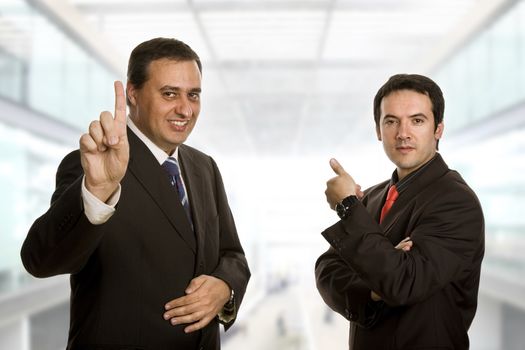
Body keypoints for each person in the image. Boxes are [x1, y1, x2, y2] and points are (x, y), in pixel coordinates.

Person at [21, 38, 250, 350]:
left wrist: (225, 287)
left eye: (193, 95)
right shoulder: (95, 165)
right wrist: (97, 192)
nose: (184, 109)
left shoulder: (203, 167)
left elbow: (232, 255)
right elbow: (41, 260)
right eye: (169, 94)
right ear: (132, 94)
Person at [315, 74, 484, 350]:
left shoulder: (456, 201)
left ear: (438, 129)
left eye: (417, 120)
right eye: (391, 121)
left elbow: (402, 282)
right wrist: (372, 290)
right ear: (379, 130)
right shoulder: (371, 196)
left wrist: (347, 207)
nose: (402, 133)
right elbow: (326, 270)